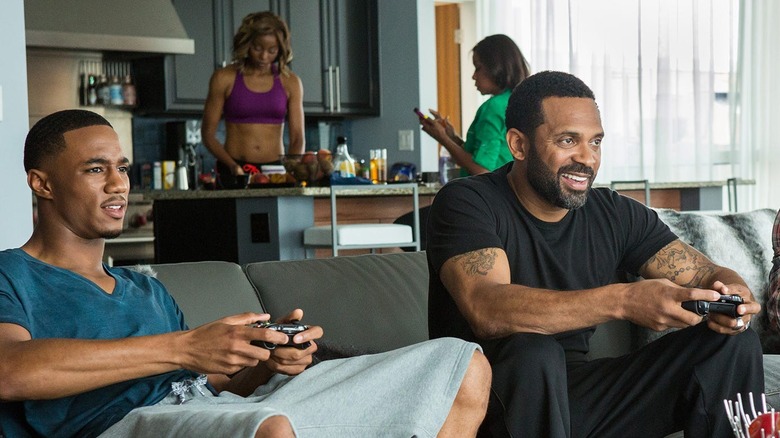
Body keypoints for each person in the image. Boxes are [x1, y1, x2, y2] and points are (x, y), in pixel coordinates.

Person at [0, 109, 491, 437]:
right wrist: (185, 346)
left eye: (122, 167)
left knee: (458, 366)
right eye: (94, 169)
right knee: (269, 425)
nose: (118, 183)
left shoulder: (144, 289)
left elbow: (196, 387)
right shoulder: (12, 274)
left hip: (202, 413)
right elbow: (10, 371)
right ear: (41, 183)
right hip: (112, 429)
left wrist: (263, 365)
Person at [426, 71, 764, 437]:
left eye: (596, 142)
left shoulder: (613, 213)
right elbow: (486, 308)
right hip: (488, 400)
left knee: (732, 340)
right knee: (533, 353)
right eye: (568, 140)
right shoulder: (467, 202)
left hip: (577, 396)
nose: (587, 159)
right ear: (518, 145)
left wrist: (734, 294)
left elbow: (705, 274)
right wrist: (623, 300)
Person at [202, 11, 305, 188]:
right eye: (257, 48)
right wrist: (232, 165)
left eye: (272, 50)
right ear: (246, 44)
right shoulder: (224, 78)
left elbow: (298, 138)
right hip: (234, 169)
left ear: (280, 49)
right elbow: (208, 134)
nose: (264, 57)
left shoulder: (291, 82)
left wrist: (291, 171)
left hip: (276, 172)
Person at [418, 34, 530, 177]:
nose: (473, 76)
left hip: (488, 194)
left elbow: (482, 170)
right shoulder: (516, 101)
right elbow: (489, 154)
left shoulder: (493, 107)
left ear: (496, 68)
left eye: (478, 68)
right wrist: (453, 138)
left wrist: (442, 139)